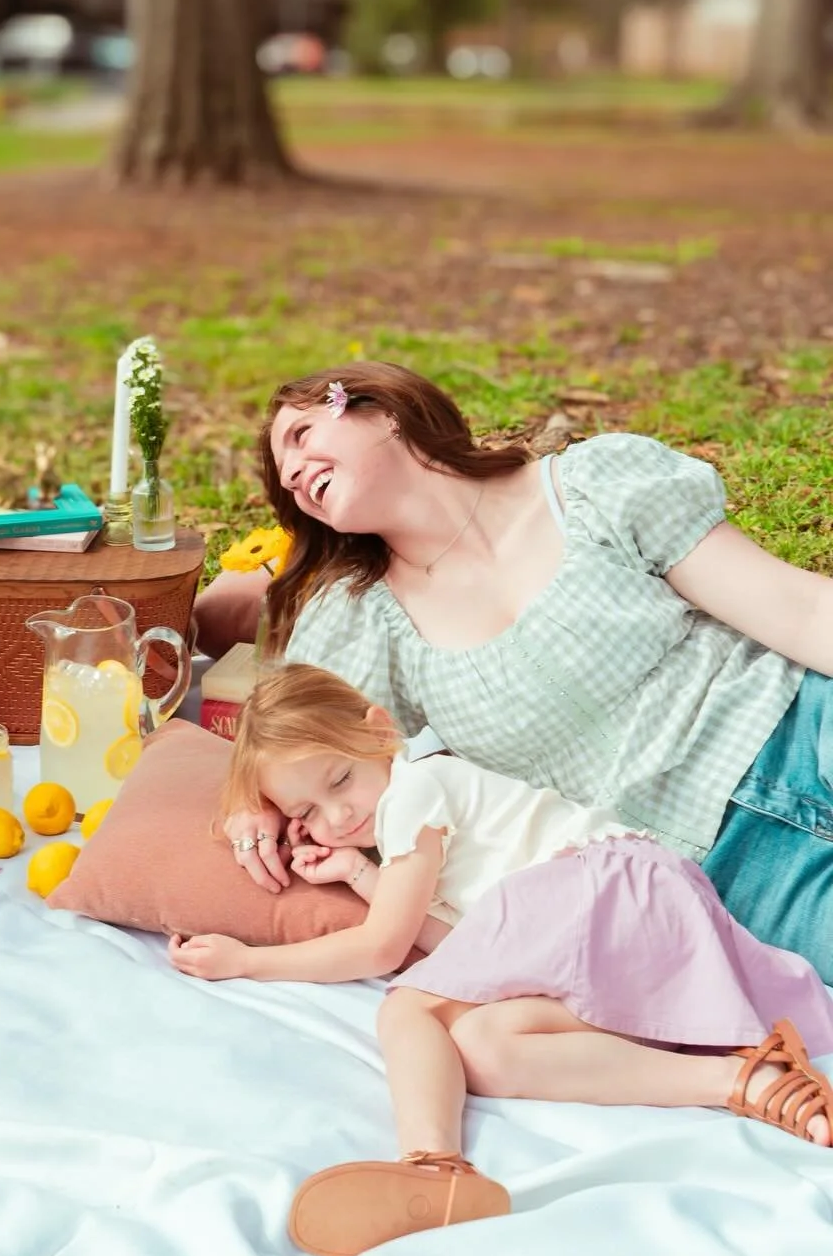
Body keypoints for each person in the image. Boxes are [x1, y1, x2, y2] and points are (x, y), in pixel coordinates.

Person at [169, 663, 833, 1256]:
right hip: (622, 915)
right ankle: (744, 1081)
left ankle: (435, 1164)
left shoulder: (416, 787)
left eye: (340, 779)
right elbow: (459, 954)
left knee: (405, 1010)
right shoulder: (406, 836)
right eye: (306, 812)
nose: (338, 815)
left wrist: (248, 961)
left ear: (379, 730)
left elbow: (382, 948)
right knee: (481, 1045)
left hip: (599, 887)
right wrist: (359, 875)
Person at [201, 360, 833, 982]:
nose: (291, 472)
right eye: (284, 477)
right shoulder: (360, 617)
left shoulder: (592, 488)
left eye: (301, 434)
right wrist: (251, 805)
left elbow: (800, 611)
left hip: (804, 723)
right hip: (720, 863)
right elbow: (288, 739)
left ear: (384, 411)